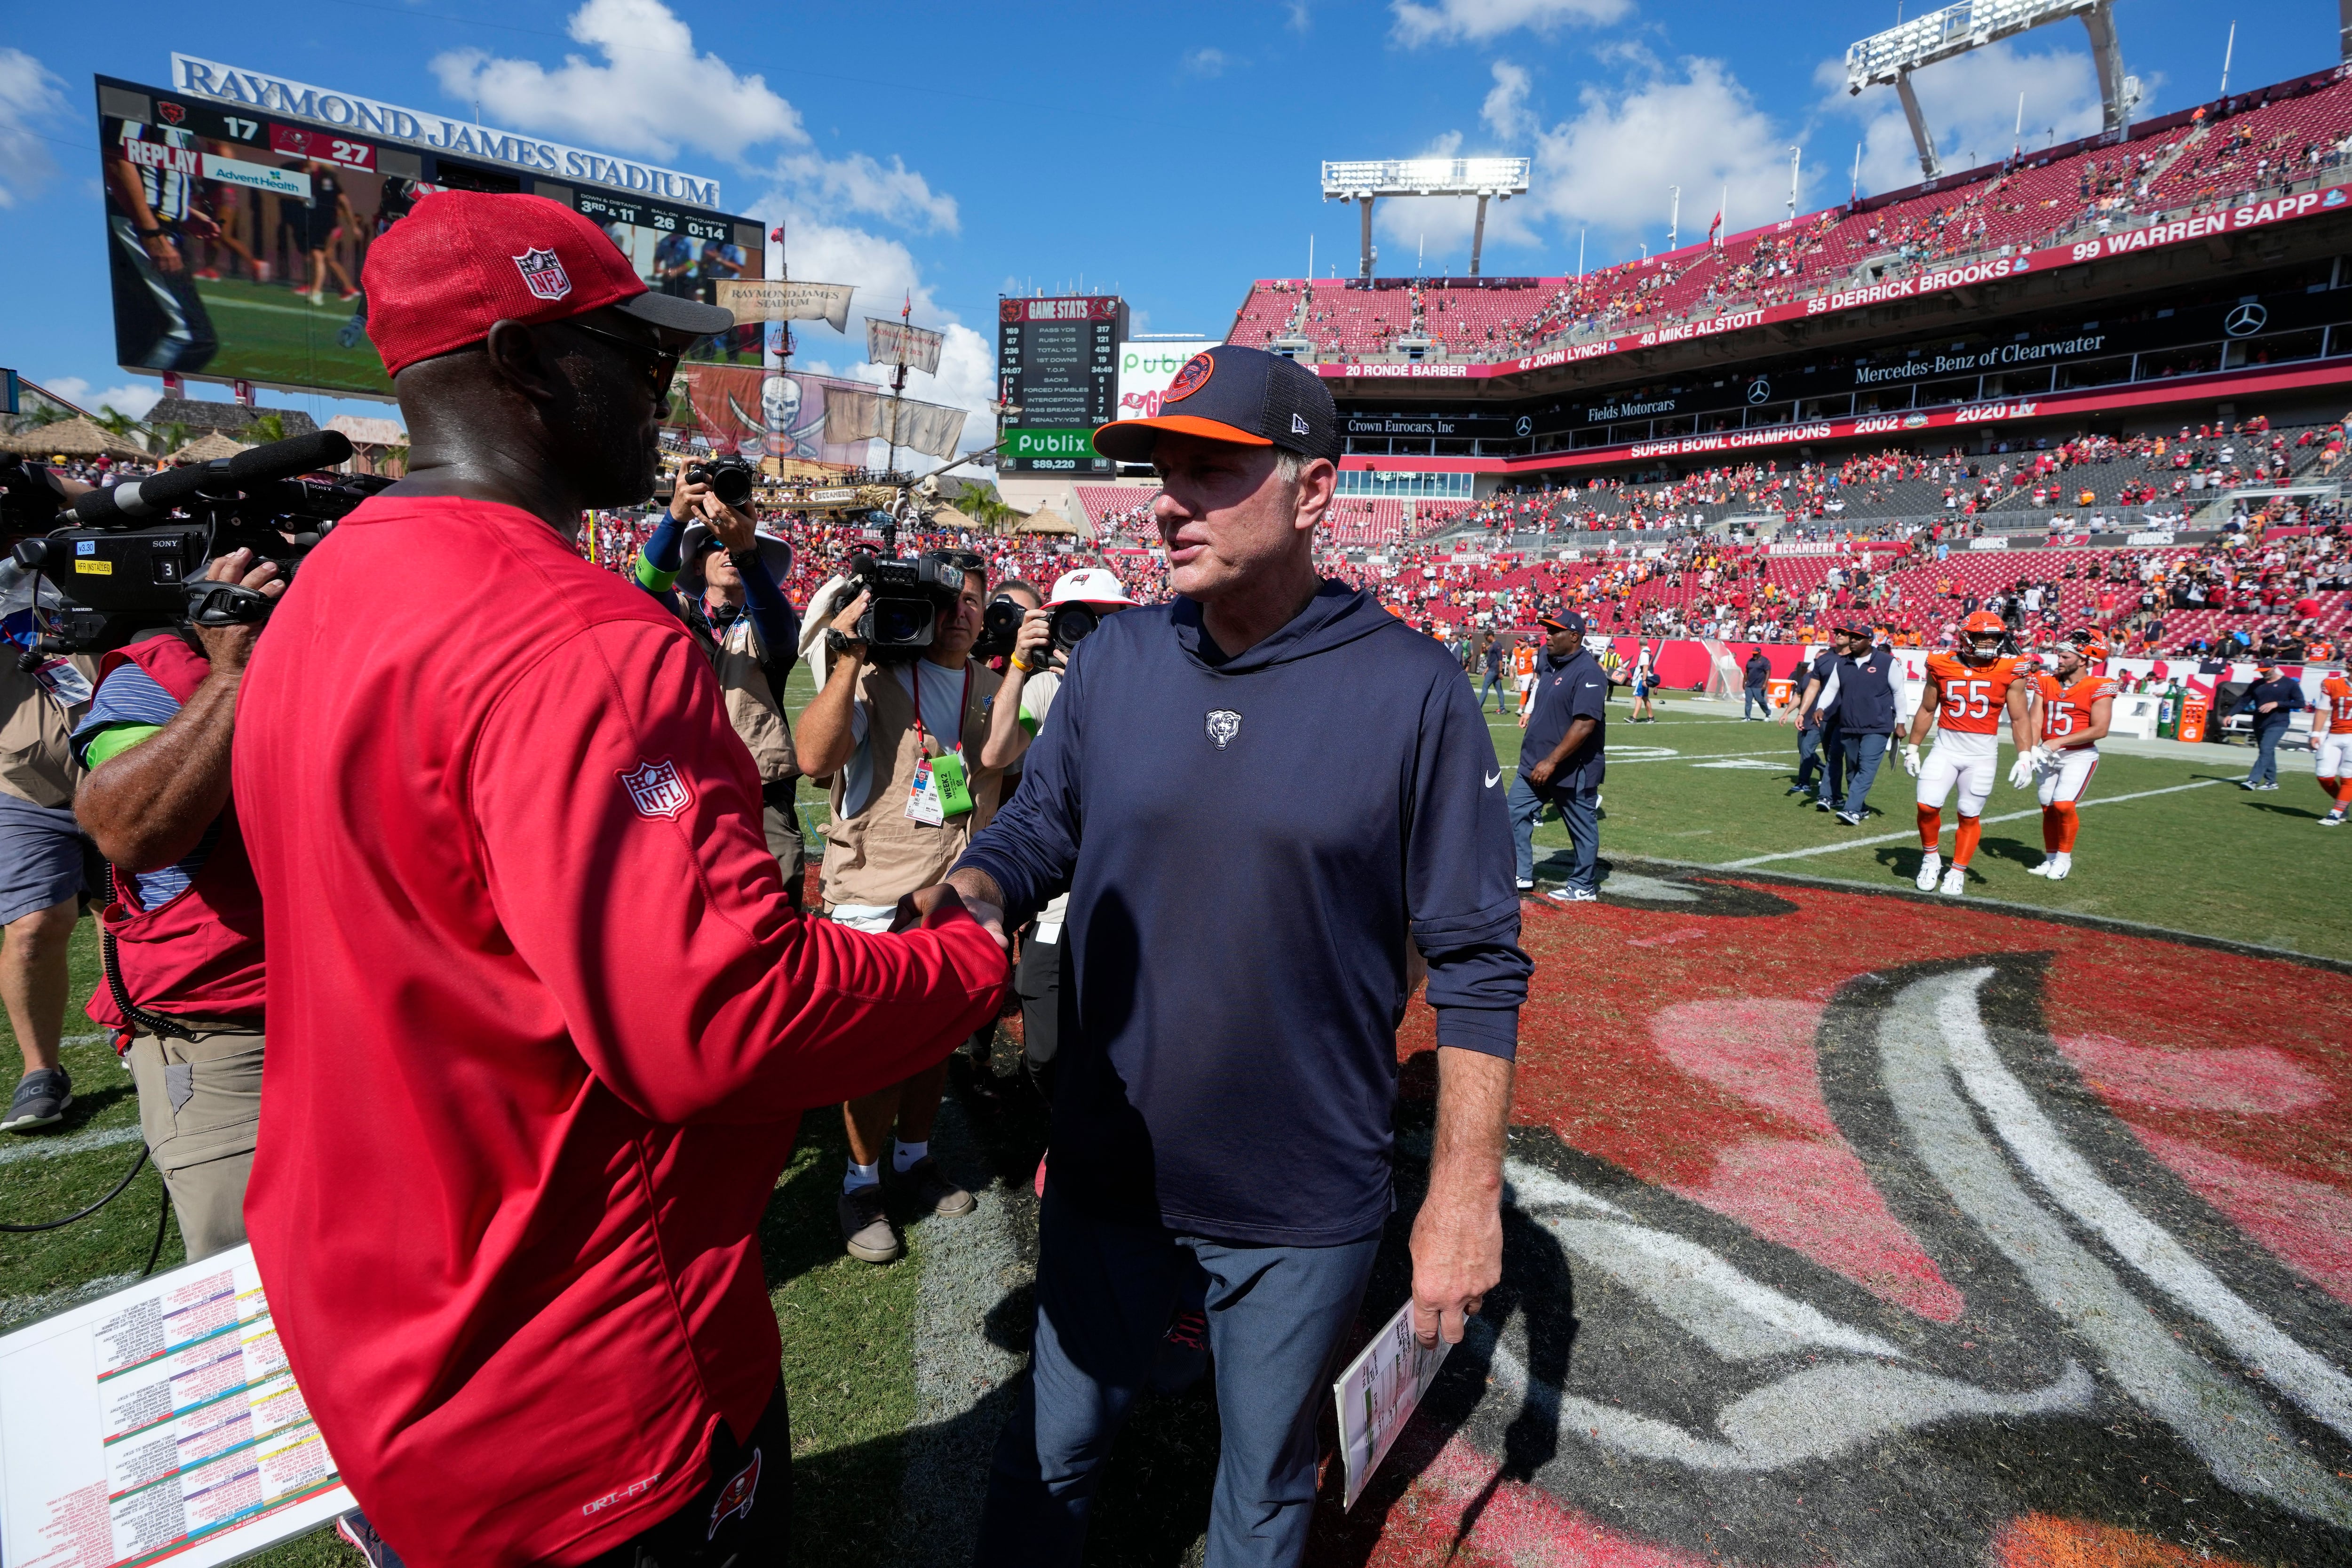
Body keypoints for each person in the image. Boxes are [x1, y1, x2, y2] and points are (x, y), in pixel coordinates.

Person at [230, 190, 1008, 1568]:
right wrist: (969, 955)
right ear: (525, 364)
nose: (670, 387)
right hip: (578, 1384)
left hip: (388, 1335)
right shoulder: (580, 636)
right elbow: (718, 1025)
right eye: (633, 351)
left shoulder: (326, 588)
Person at [949, 346, 1528, 1568]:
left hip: (1299, 1194)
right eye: (1164, 470)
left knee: (1260, 1499)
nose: (1169, 497)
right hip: (1111, 1162)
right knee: (1050, 1457)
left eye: (1211, 469)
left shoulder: (1414, 691)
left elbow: (1477, 955)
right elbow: (1039, 823)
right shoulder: (1115, 660)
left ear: (1313, 492)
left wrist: (1464, 1190)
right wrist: (969, 890)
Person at [795, 547, 1007, 1265]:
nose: (959, 613)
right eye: (946, 601)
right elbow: (816, 759)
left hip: (953, 893)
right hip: (876, 894)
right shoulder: (876, 677)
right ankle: (859, 1181)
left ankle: (913, 1158)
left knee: (934, 1044)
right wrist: (852, 655)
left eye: (972, 600)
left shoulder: (990, 685)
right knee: (875, 1054)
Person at [67, 551, 279, 1256]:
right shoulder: (153, 677)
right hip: (235, 1041)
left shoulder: (354, 639)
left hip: (372, 1019)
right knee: (256, 1291)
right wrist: (231, 677)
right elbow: (130, 831)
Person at [977, 566, 1136, 1095]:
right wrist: (1021, 663)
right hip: (1061, 882)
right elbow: (996, 753)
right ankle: (1059, 1111)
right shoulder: (1046, 687)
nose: (1085, 632)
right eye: (1074, 620)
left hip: (1128, 880)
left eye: (1100, 619)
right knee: (1040, 1008)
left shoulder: (1148, 684)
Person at [634, 479, 804, 907]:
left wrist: (747, 554)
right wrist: (675, 518)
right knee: (686, 910)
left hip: (763, 795)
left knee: (778, 910)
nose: (727, 548)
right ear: (695, 566)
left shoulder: (767, 620)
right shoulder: (681, 616)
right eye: (715, 542)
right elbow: (647, 590)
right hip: (686, 791)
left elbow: (783, 636)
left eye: (736, 542)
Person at [0, 549, 97, 1133]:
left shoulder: (83, 545)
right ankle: (41, 1072)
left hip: (127, 766)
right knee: (34, 927)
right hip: (23, 783)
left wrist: (57, 510)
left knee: (127, 912)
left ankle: (135, 1026)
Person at [1903, 610, 2034, 896]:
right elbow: (1928, 708)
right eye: (1982, 638)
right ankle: (1931, 857)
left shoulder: (2011, 668)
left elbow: (2020, 717)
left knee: (1968, 814)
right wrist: (1913, 748)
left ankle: (1958, 870)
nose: (1990, 644)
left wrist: (2025, 755)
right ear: (1965, 637)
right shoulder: (1941, 663)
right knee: (1927, 805)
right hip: (1946, 747)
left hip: (1982, 753)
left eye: (1994, 639)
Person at [1513, 608, 1609, 902]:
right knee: (1512, 814)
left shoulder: (1590, 673)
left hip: (1571, 767)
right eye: (1548, 630)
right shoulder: (1547, 660)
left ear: (1575, 636)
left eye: (1555, 631)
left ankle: (1583, 885)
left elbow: (1584, 726)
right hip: (1533, 763)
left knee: (1581, 828)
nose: (1548, 636)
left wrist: (1552, 761)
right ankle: (1520, 873)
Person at [2012, 630, 2117, 879]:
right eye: (2059, 655)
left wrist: (2057, 743)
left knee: (2063, 805)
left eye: (2066, 656)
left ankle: (2064, 859)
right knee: (2048, 807)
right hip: (2048, 753)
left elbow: (2100, 729)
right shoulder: (2045, 681)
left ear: (2083, 660)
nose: (2059, 660)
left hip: (2079, 755)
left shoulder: (2100, 685)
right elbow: (2036, 718)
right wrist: (2030, 752)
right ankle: (2050, 860)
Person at [1832, 622, 1901, 828]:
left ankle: (1851, 809)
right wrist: (1821, 707)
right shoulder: (1842, 663)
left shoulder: (1888, 662)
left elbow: (1899, 693)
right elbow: (1831, 689)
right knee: (1852, 767)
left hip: (1878, 726)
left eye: (1858, 637)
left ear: (1870, 641)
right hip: (1849, 724)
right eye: (1851, 637)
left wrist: (1902, 722)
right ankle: (1860, 807)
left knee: (1867, 767)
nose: (1852, 640)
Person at [1787, 637, 1845, 811]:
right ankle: (1825, 776)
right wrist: (1789, 713)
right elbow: (1799, 695)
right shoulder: (1808, 678)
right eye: (1816, 660)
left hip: (1822, 720)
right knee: (1805, 750)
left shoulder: (1835, 676)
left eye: (1821, 660)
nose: (1818, 663)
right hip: (1805, 719)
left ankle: (1809, 785)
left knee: (1809, 750)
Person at [2235, 661, 2304, 791]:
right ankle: (2271, 782)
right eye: (2261, 670)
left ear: (2274, 668)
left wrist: (2278, 704)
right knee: (2267, 751)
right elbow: (2243, 701)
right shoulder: (2257, 685)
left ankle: (2252, 781)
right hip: (2259, 722)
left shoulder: (2289, 684)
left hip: (2279, 722)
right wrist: (2229, 715)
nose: (2263, 672)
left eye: (2266, 670)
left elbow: (2301, 703)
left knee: (2266, 749)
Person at [2312, 666, 2352, 826]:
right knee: (2324, 775)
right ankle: (2343, 803)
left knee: (2348, 776)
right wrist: (2315, 734)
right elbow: (2322, 710)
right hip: (2334, 734)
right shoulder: (2331, 684)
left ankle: (2335, 814)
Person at [1475, 631, 1509, 716]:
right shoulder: (1493, 645)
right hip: (1493, 669)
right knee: (1499, 690)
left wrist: (1500, 672)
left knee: (1485, 687)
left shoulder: (1497, 645)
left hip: (1494, 670)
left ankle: (1478, 709)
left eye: (1487, 638)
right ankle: (1502, 708)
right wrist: (1487, 669)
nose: (1486, 639)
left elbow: (1500, 659)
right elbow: (1492, 660)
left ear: (1491, 636)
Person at [1741, 646, 1772, 719]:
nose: (1754, 655)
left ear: (1759, 653)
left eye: (1756, 654)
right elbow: (1746, 672)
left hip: (1759, 685)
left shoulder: (1765, 661)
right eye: (1753, 654)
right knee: (1748, 701)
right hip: (1749, 685)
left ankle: (1768, 712)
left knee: (1760, 700)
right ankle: (1747, 717)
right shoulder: (1750, 661)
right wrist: (1744, 682)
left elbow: (1768, 672)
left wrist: (1765, 683)